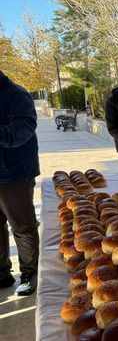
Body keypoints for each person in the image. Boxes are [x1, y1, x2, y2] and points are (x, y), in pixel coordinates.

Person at [0, 70, 40, 296]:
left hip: (14, 174)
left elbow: (23, 129)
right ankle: (2, 273)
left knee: (22, 226)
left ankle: (29, 273)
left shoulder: (16, 94)